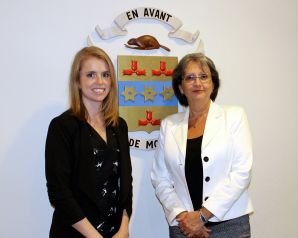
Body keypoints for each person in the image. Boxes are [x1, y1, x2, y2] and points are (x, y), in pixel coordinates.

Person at [151, 53, 253, 238]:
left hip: (229, 224)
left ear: (213, 83)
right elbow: (160, 178)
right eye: (190, 77)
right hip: (183, 227)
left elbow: (241, 173)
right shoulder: (169, 125)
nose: (197, 82)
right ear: (181, 87)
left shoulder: (234, 116)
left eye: (203, 76)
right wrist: (184, 217)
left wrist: (202, 216)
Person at [45, 46, 133, 238]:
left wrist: (124, 228)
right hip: (76, 233)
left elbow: (126, 183)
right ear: (78, 80)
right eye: (91, 74)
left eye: (105, 74)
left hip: (116, 233)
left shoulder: (120, 126)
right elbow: (59, 192)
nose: (100, 81)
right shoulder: (62, 127)